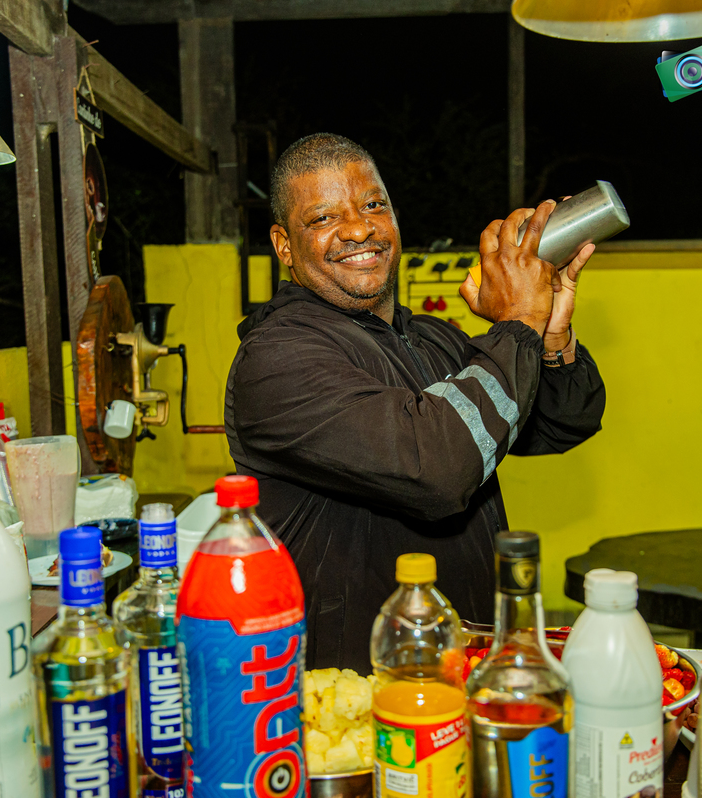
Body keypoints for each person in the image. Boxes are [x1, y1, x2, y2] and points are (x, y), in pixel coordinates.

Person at [224, 133, 606, 671]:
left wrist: (550, 337)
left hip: (463, 665)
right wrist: (519, 321)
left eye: (373, 205)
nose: (358, 229)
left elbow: (562, 422)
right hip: (359, 687)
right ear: (284, 246)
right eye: (323, 218)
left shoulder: (431, 338)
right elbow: (439, 469)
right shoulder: (278, 358)